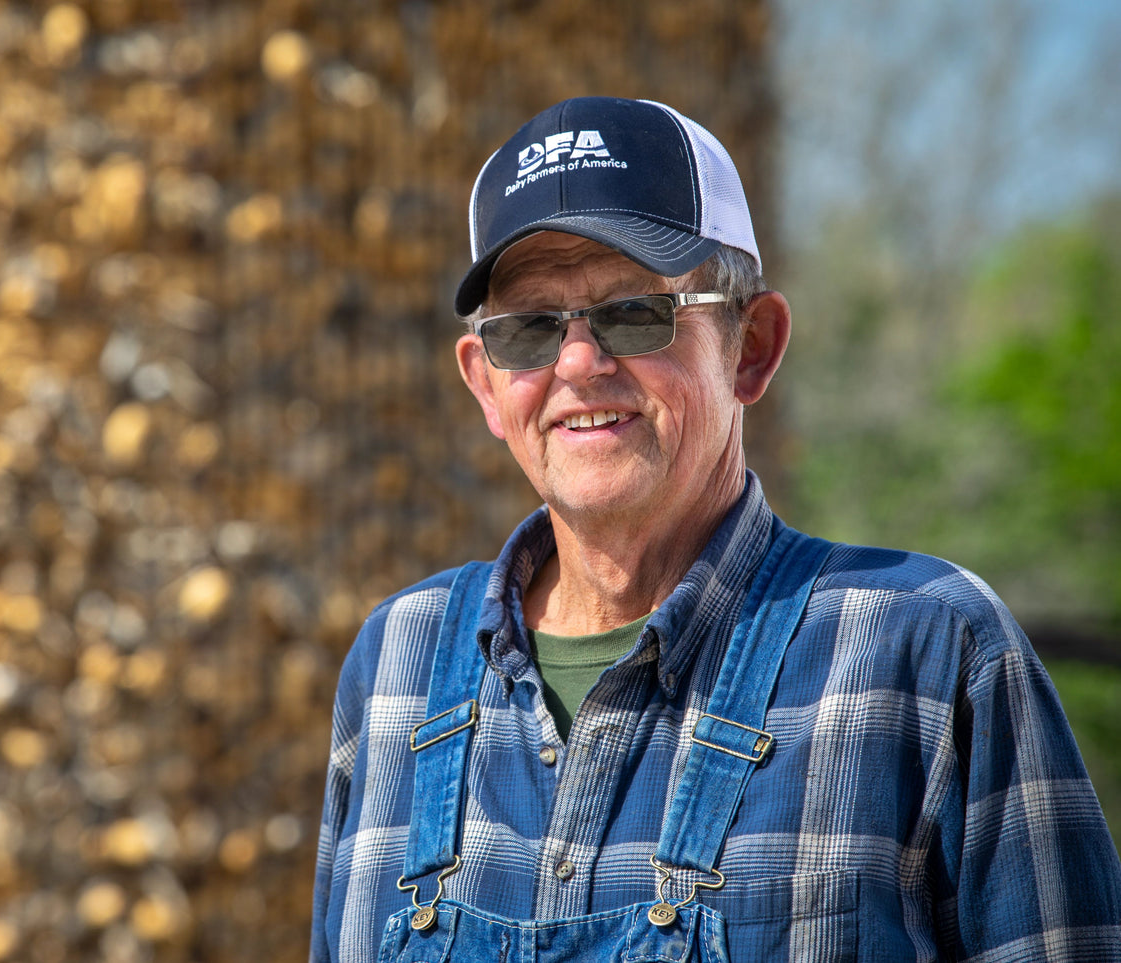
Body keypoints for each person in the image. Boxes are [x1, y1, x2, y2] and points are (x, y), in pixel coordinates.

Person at [309, 96, 1121, 963]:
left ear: (753, 346)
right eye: (531, 328)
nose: (578, 364)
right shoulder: (396, 662)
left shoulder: (924, 652)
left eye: (634, 312)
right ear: (484, 382)